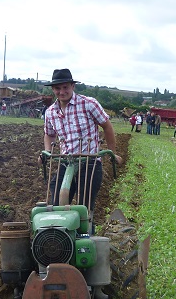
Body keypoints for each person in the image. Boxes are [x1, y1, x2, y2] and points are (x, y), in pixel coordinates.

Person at [41, 68, 122, 216]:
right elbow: (49, 134)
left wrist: (113, 153)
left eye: (65, 87)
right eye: (57, 88)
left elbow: (107, 126)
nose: (61, 91)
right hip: (66, 161)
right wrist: (47, 151)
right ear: (53, 89)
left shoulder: (88, 104)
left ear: (73, 86)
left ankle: (86, 231)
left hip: (89, 161)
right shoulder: (50, 112)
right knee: (55, 202)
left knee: (84, 207)